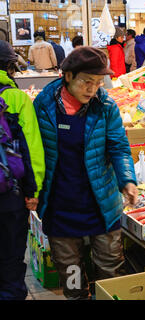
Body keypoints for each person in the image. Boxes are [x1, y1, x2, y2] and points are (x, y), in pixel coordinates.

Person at [33, 46, 138, 300]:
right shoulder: (44, 106)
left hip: (101, 203)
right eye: (86, 81)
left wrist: (127, 180)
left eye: (98, 82)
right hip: (60, 206)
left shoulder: (105, 106)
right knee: (71, 273)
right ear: (67, 76)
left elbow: (119, 146)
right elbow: (33, 151)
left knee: (110, 270)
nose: (92, 89)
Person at [0, 40, 45, 300]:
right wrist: (33, 191)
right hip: (9, 196)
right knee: (10, 258)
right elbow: (32, 149)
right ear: (8, 66)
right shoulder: (16, 97)